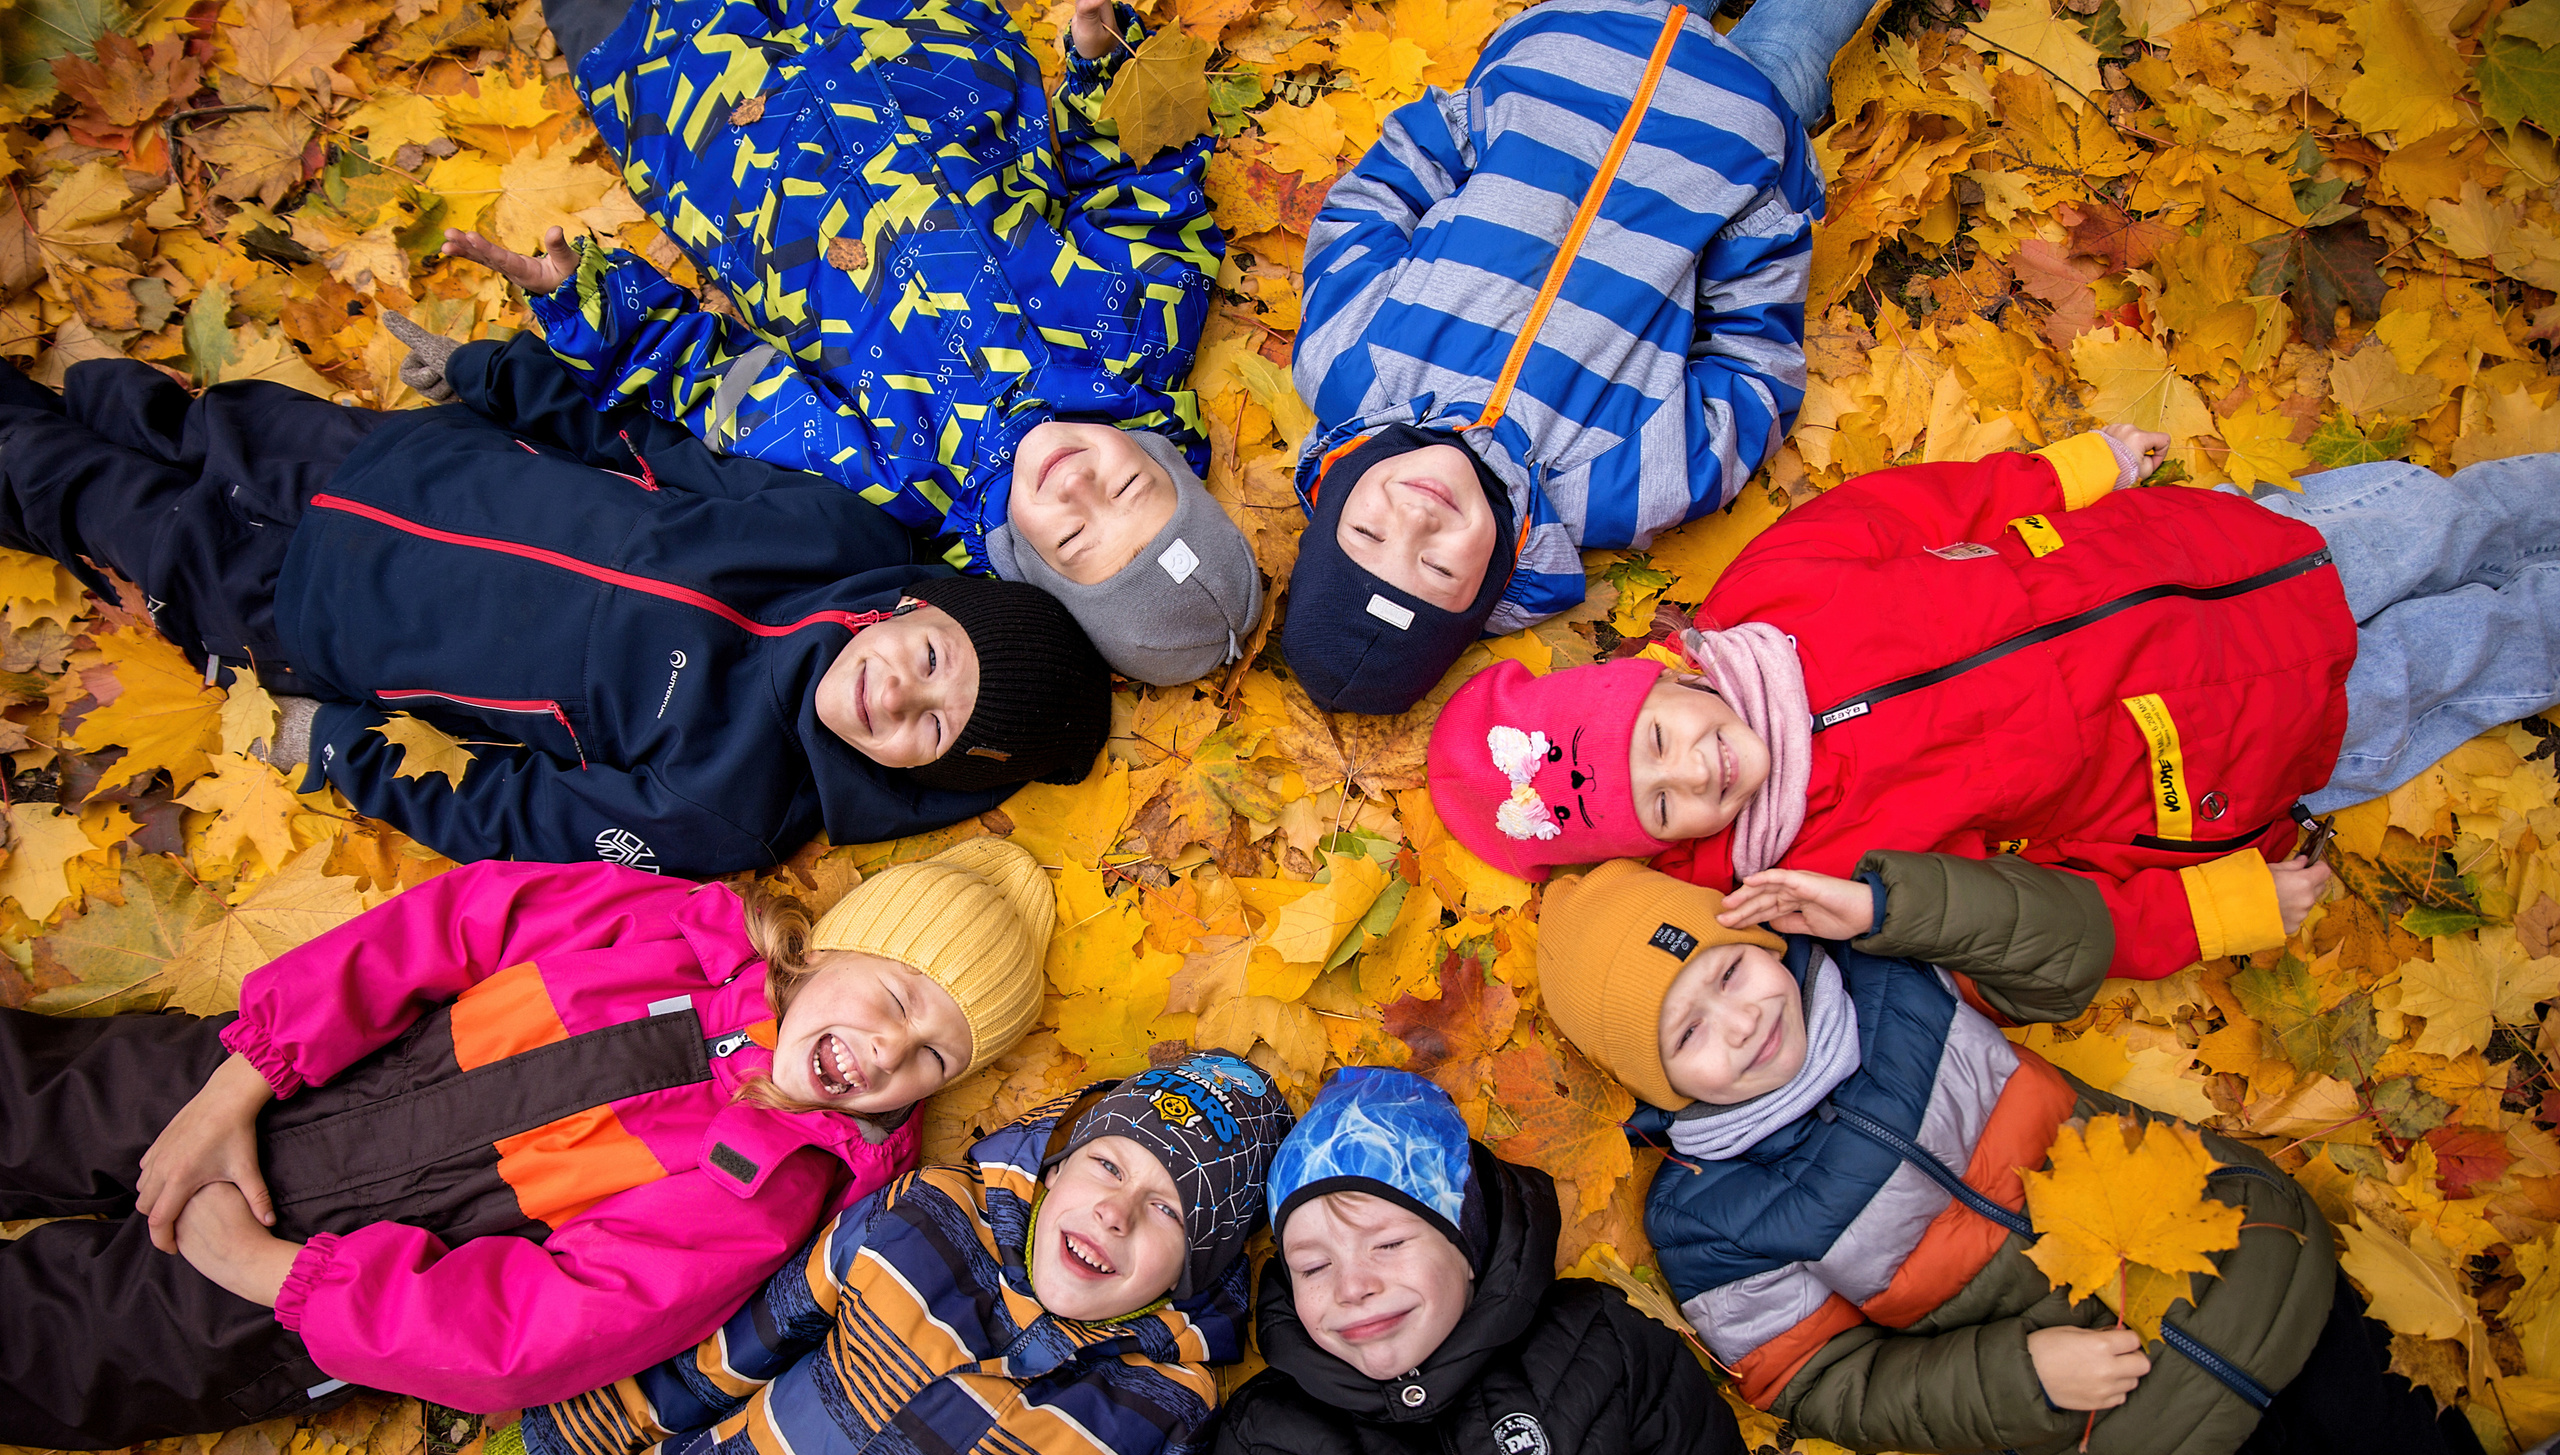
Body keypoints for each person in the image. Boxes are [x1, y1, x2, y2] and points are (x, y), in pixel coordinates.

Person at [1533, 855, 2560, 1455]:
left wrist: (1894, 907)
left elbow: (2064, 949)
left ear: (1756, 937)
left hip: (2244, 1279)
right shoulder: (1710, 1219)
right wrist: (2017, 1378)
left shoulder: (1886, 975)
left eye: (1723, 974)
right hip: (2115, 1437)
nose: (1737, 1022)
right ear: (1657, 1085)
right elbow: (1820, 1380)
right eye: (1686, 1035)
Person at [0, 835, 1052, 1449]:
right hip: (283, 1080)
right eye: (899, 997)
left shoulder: (767, 1185)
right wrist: (241, 1080)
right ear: (836, 947)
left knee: (52, 1346)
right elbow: (448, 924)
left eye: (931, 1060)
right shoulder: (672, 932)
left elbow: (544, 1330)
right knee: (35, 1099)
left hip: (296, 1295)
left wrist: (269, 1274)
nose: (885, 1052)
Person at [1426, 430, 2560, 983]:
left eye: (1661, 741)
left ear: (1667, 677)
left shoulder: (1771, 592)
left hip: (2204, 555)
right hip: (2231, 746)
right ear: (1672, 849)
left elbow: (1911, 505)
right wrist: (2221, 908)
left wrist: (2070, 472)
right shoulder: (1827, 869)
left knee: (2443, 520)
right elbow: (2035, 910)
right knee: (2473, 645)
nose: (1697, 772)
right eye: (1666, 803)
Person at [0, 336, 1111, 879]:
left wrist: (338, 747)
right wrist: (503, 381)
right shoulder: (840, 538)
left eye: (930, 727)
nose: (897, 694)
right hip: (396, 463)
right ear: (912, 608)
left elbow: (505, 810)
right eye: (929, 657)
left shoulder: (724, 809)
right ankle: (57, 398)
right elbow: (657, 453)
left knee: (83, 495)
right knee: (172, 420)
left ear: (918, 781)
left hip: (302, 609)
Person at [436, 0, 1262, 689]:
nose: (1080, 483)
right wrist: (1106, 60)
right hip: (895, 29)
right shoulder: (1138, 329)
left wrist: (596, 305)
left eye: (1075, 537)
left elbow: (721, 381)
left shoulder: (895, 478)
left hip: (685, 95)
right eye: (1128, 485)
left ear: (1036, 571)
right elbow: (1138, 180)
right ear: (1160, 454)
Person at [427, 1052, 1294, 1455]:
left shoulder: (1161, 1410)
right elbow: (727, 1350)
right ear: (1058, 1163)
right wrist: (547, 1452)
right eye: (1109, 1166)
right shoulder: (922, 1220)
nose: (1118, 1209)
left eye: (1168, 1211)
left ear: (1196, 1271)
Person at [1155, 1068, 1888, 1455]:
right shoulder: (1272, 1439)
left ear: (1467, 1242)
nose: (1353, 1285)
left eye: (1389, 1242)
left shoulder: (1599, 1347)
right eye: (1313, 1267)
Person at [1276, 0, 1876, 715]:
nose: (1414, 519)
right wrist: (1757, 221)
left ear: (1335, 502)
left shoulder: (1346, 364)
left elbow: (1371, 207)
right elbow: (1752, 374)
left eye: (1368, 533)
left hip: (1585, 40)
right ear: (1490, 586)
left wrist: (1478, 113)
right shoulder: (1620, 483)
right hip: (1748, 116)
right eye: (1435, 567)